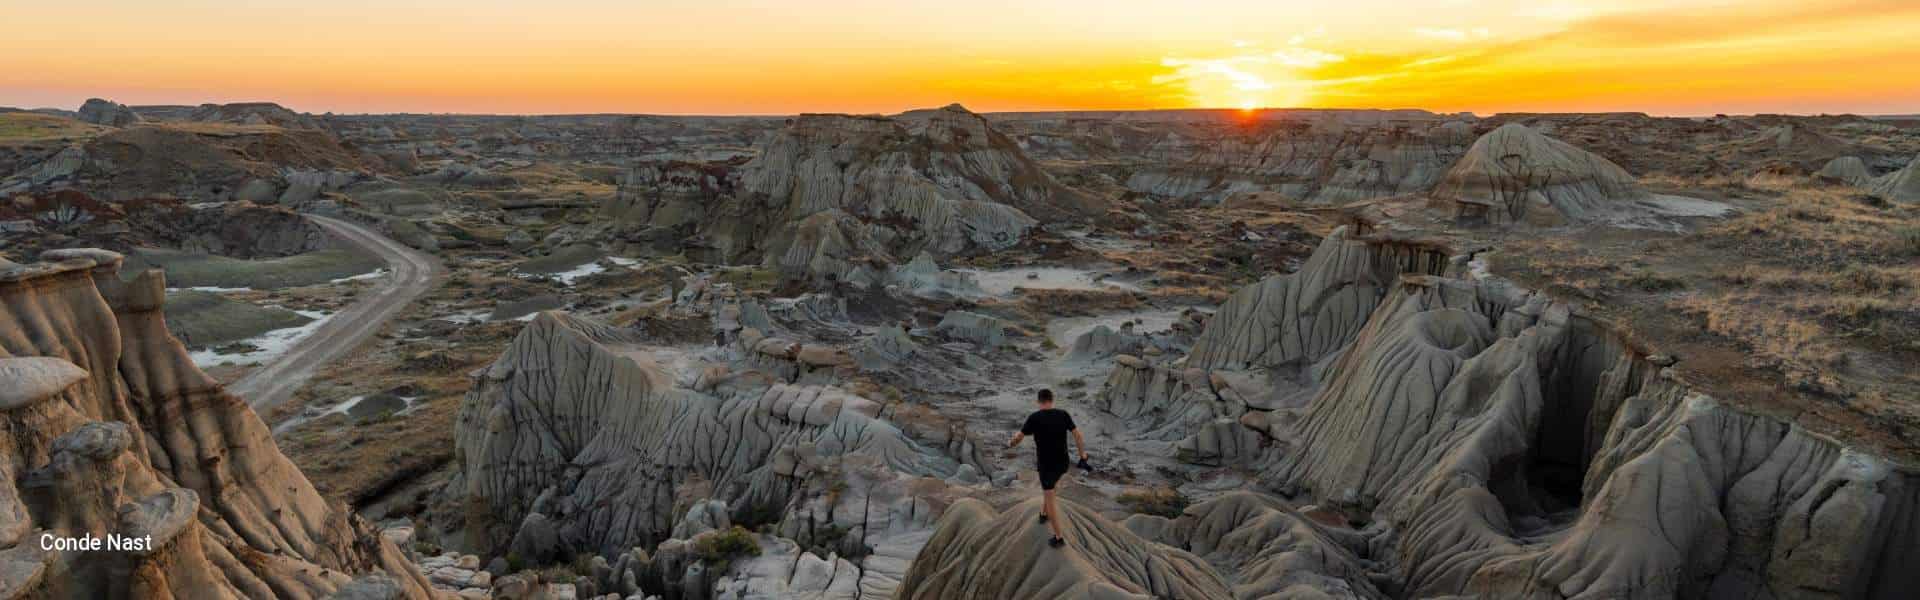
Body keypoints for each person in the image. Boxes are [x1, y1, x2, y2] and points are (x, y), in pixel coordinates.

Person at [1006, 388, 1088, 548]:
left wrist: (1011, 443)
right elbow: (1078, 435)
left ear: (1038, 401)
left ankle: (1058, 537)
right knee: (1051, 489)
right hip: (1063, 463)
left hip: (1046, 465)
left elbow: (1019, 437)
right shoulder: (1063, 414)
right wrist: (1082, 455)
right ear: (1052, 400)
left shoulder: (1034, 418)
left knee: (1050, 497)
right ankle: (1043, 514)